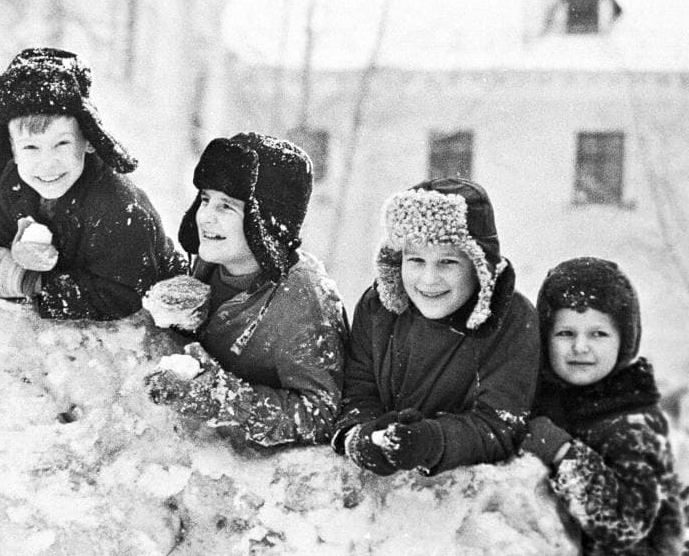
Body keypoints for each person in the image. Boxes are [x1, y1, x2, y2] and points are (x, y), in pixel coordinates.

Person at [143, 133, 348, 448]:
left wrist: (226, 398)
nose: (206, 216)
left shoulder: (302, 298)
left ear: (265, 223)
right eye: (205, 198)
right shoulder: (212, 261)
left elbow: (319, 414)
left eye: (226, 206)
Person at [330, 177, 539, 475]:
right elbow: (357, 391)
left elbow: (501, 424)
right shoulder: (379, 308)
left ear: (478, 266)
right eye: (416, 260)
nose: (428, 279)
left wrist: (432, 441)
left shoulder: (510, 321)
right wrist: (360, 436)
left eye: (447, 262)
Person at [0, 47, 184, 320]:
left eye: (62, 143)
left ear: (89, 140)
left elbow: (122, 296)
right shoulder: (9, 185)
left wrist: (37, 284)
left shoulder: (119, 208)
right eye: (31, 147)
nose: (47, 163)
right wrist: (14, 252)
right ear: (11, 148)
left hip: (149, 315)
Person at [522, 257, 684, 555]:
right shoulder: (548, 399)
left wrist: (565, 453)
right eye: (565, 333)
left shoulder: (633, 424)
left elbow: (625, 524)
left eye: (598, 334)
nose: (580, 347)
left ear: (624, 341)